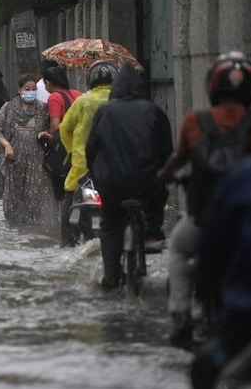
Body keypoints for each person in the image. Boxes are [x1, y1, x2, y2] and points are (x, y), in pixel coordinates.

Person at [156, 51, 251, 349]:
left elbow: (178, 159)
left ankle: (180, 316)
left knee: (178, 249)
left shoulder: (196, 122)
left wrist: (164, 175)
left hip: (204, 222)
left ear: (212, 86)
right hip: (248, 224)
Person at [188, 89, 251, 389]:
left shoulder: (247, 177)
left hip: (250, 326)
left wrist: (203, 283)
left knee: (203, 371)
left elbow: (210, 253)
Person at [86, 62, 173, 290]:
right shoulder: (154, 111)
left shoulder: (104, 112)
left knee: (110, 223)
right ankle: (152, 233)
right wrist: (164, 174)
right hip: (146, 182)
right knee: (160, 194)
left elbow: (91, 148)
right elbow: (167, 150)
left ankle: (111, 277)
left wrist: (95, 175)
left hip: (111, 184)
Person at [59, 59, 118, 241]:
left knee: (69, 195)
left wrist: (72, 150)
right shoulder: (122, 101)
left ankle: (67, 241)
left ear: (90, 80)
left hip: (82, 167)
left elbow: (65, 128)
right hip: (117, 168)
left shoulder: (82, 102)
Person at [0, 73, 58, 228]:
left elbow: (52, 130)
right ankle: (16, 229)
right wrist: (7, 145)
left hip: (37, 159)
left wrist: (46, 134)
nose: (31, 92)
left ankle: (38, 229)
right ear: (19, 90)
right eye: (27, 89)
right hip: (14, 159)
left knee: (37, 194)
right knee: (14, 195)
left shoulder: (43, 108)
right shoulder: (8, 108)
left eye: (34, 89)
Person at [38, 64, 83, 243]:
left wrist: (47, 136)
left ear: (48, 83)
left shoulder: (54, 97)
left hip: (63, 148)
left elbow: (55, 126)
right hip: (79, 147)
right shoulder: (77, 94)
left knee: (61, 193)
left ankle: (61, 226)